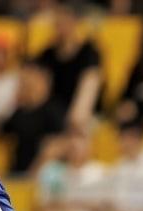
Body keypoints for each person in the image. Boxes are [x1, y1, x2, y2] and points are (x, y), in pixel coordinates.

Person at [34, 2, 103, 130]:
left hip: (83, 116)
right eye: (58, 21)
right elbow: (38, 87)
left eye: (66, 19)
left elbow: (90, 85)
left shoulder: (89, 52)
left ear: (75, 21)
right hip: (53, 115)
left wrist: (76, 119)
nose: (61, 25)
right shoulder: (47, 54)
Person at [0, 62, 64, 175]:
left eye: (27, 81)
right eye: (22, 82)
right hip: (17, 172)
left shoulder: (53, 110)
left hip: (41, 175)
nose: (24, 84)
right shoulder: (19, 112)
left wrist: (31, 175)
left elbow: (55, 147)